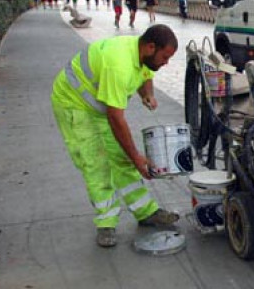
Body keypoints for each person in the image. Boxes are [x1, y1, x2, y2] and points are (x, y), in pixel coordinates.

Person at [51, 25, 181, 248]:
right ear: (150, 47)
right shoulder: (118, 65)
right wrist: (137, 157)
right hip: (73, 104)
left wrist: (147, 93)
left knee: (121, 158)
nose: (166, 62)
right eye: (165, 57)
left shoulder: (141, 53)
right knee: (96, 163)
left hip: (98, 104)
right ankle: (106, 222)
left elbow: (146, 73)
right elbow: (116, 118)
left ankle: (146, 212)